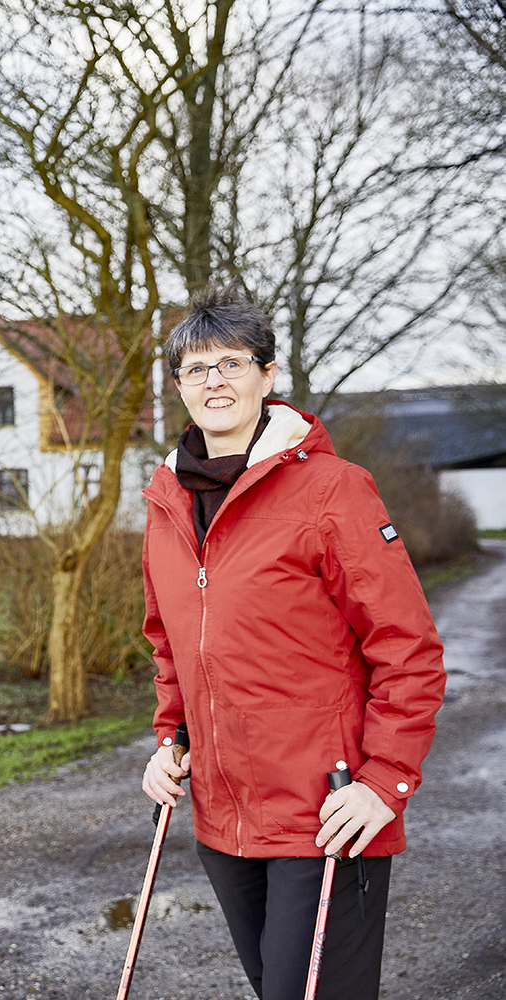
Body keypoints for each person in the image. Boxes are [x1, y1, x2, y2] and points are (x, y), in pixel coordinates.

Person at [139, 287, 445, 1000]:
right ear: (179, 386)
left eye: (232, 363)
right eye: (196, 368)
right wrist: (169, 741)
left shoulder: (334, 490)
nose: (214, 381)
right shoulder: (165, 502)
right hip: (223, 820)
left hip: (327, 813)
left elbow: (408, 649)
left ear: (268, 375)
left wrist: (385, 784)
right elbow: (171, 646)